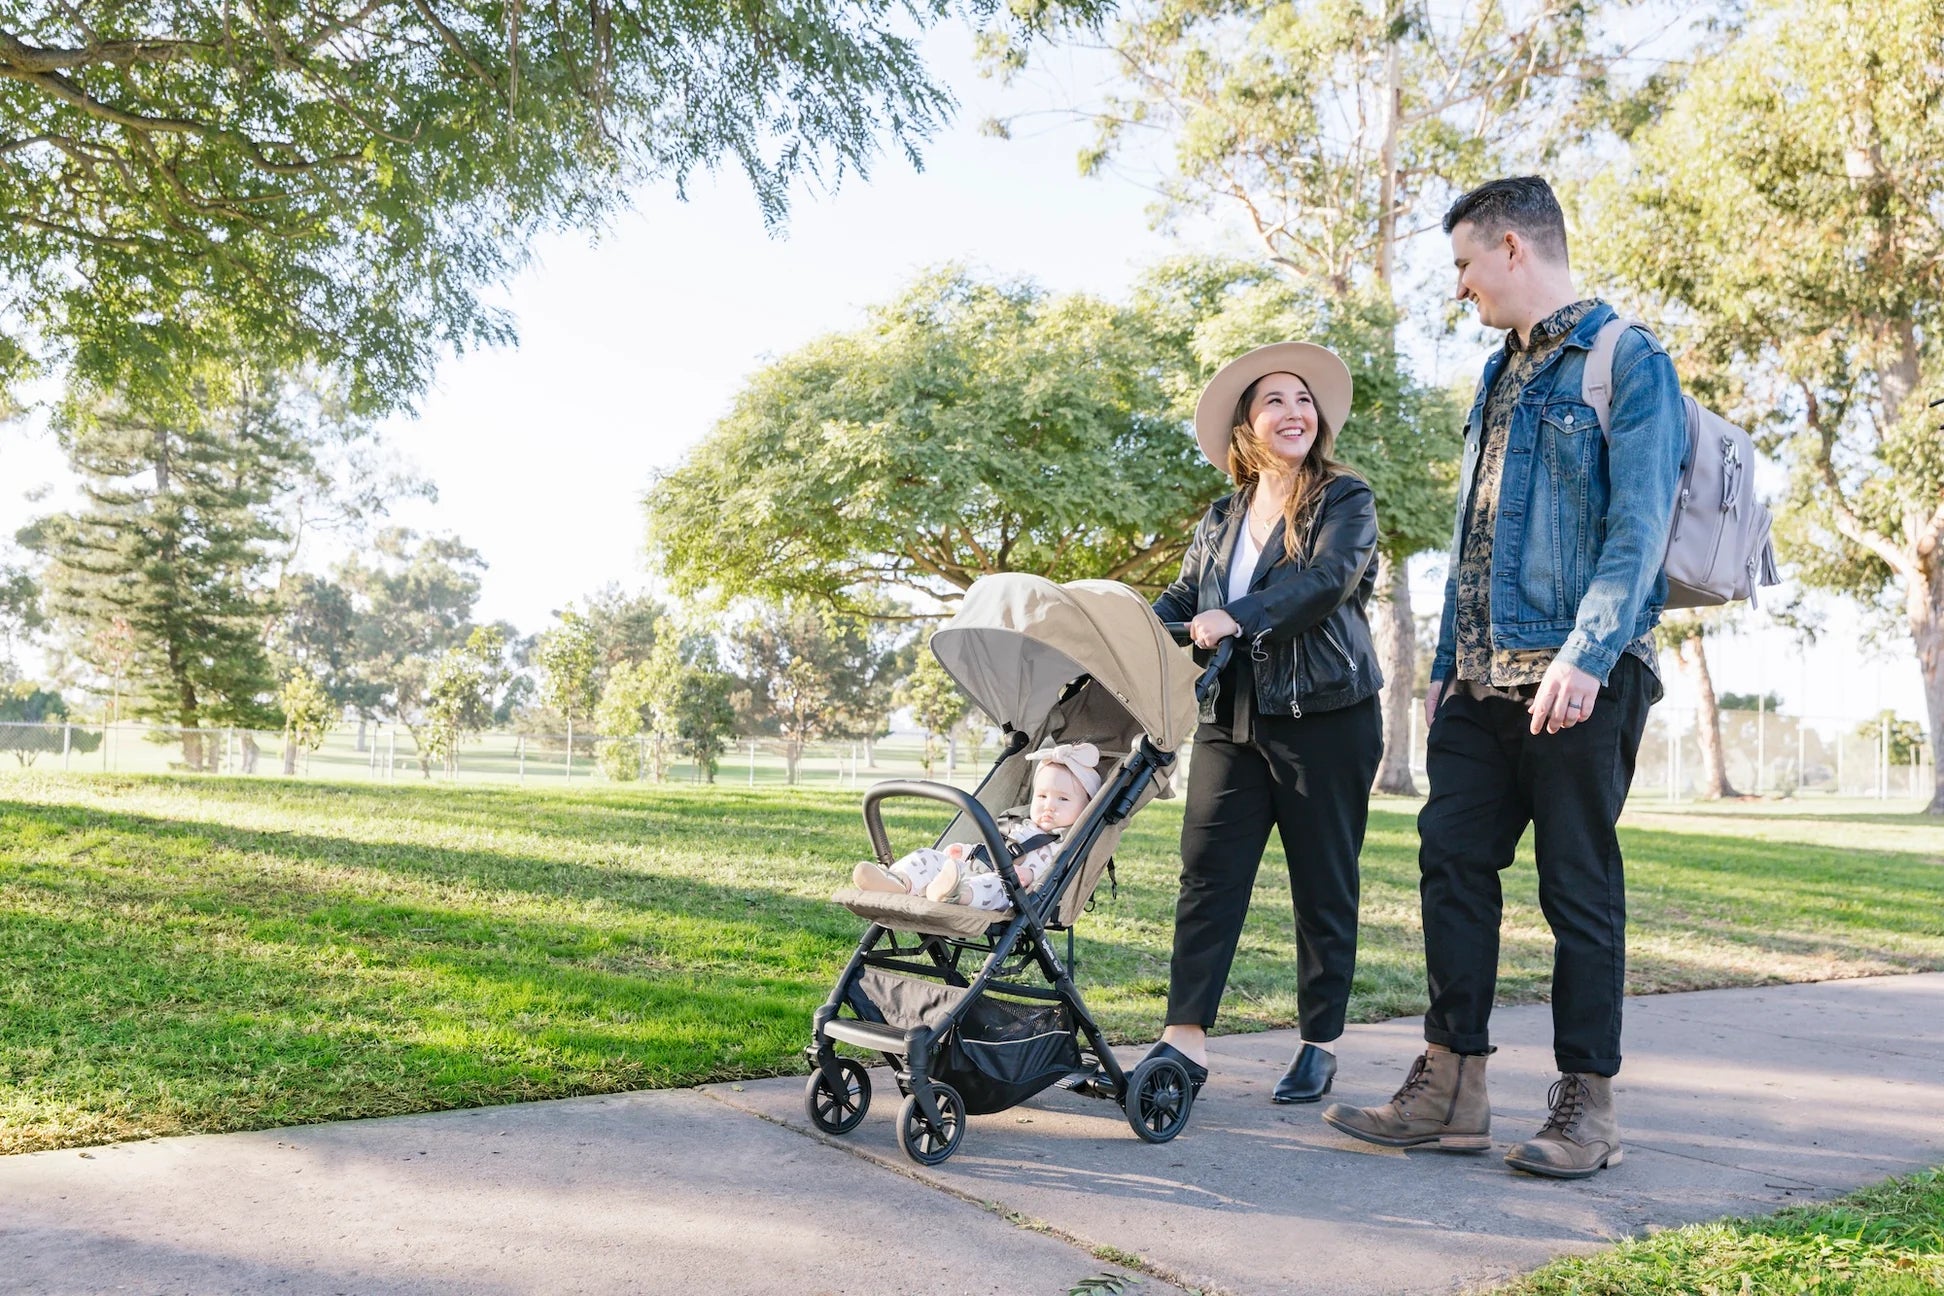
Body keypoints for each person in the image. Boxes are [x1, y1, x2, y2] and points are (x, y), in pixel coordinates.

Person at [1322, 176, 1685, 1179]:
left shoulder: (1627, 357)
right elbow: (1474, 537)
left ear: (1515, 248)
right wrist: (1442, 666)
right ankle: (1450, 1088)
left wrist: (1589, 650)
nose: (1461, 287)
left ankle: (1588, 1107)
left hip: (1579, 676)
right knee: (1450, 865)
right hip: (1481, 684)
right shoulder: (1497, 374)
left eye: (1465, 264)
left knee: (1577, 887)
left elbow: (1639, 526)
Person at [1145, 341, 1384, 1103]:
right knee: (1207, 876)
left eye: (1304, 399)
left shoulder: (1345, 500)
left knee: (1323, 884)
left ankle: (1319, 1041)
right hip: (1231, 720)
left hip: (1327, 718)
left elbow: (1325, 584)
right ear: (1248, 425)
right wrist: (1126, 627)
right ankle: (1185, 1039)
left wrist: (1235, 616)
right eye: (1275, 401)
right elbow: (1182, 602)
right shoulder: (1220, 517)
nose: (1295, 412)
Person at [851, 743, 1100, 911]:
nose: (1049, 806)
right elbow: (994, 844)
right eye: (1042, 797)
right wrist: (965, 850)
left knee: (994, 886)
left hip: (1012, 890)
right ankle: (898, 882)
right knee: (926, 856)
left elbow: (1058, 872)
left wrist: (1033, 876)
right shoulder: (1018, 824)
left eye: (1063, 799)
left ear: (1086, 806)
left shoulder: (1064, 843)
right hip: (974, 866)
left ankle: (956, 894)